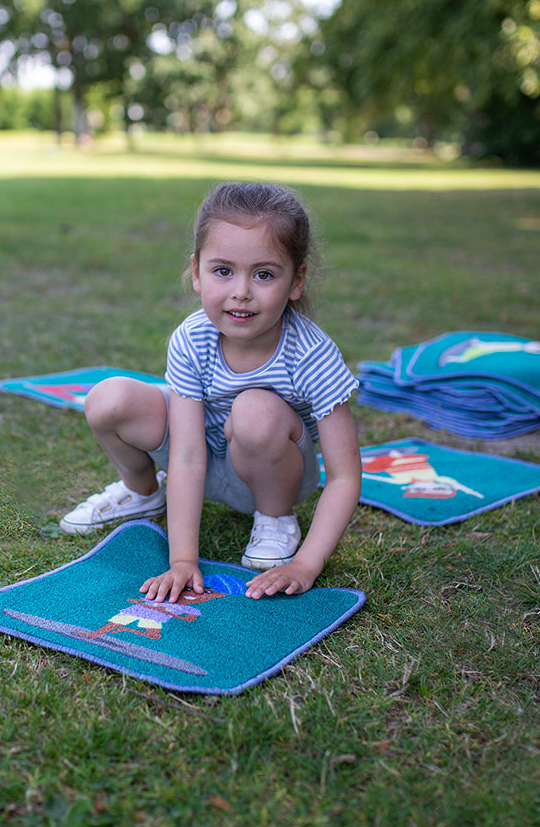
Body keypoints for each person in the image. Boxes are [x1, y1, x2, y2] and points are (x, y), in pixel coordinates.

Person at [60, 182, 361, 602]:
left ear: (297, 280)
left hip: (271, 473)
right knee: (110, 397)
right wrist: (183, 560)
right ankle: (143, 493)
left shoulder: (312, 354)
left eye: (264, 274)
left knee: (255, 409)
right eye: (223, 270)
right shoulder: (191, 338)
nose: (241, 291)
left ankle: (275, 519)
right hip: (203, 460)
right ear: (196, 272)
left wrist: (306, 564)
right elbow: (185, 453)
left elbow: (345, 476)